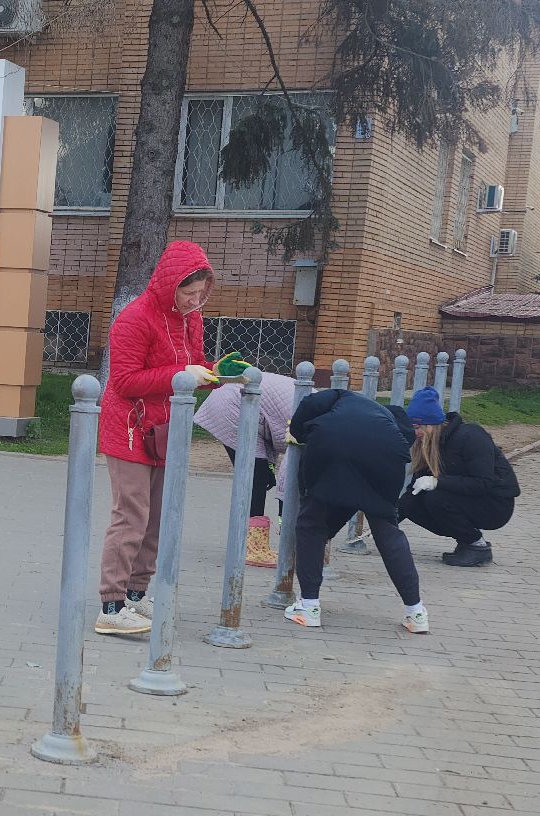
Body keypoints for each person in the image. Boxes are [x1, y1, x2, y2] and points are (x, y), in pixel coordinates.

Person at [94, 241, 217, 636]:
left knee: (157, 517)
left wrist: (218, 372)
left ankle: (136, 596)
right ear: (170, 286)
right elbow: (124, 381)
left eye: (202, 293)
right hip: (129, 427)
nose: (196, 301)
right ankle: (110, 607)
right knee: (131, 515)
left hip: (165, 429)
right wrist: (182, 375)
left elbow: (192, 366)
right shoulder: (135, 319)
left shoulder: (191, 318)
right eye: (189, 293)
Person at [285, 385, 429, 634]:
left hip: (331, 442)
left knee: (310, 524)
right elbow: (358, 492)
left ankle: (308, 607)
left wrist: (298, 432)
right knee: (387, 531)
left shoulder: (342, 395)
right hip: (388, 456)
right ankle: (416, 612)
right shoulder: (391, 423)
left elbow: (309, 403)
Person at [396, 386, 519, 566]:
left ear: (430, 424)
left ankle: (477, 545)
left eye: (417, 427)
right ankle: (466, 540)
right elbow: (413, 491)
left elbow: (482, 483)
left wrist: (437, 482)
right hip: (464, 497)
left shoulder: (471, 436)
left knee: (435, 499)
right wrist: (387, 522)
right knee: (411, 503)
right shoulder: (427, 447)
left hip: (495, 503)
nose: (415, 433)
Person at [192, 367, 295, 566]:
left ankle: (247, 543)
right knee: (253, 478)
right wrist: (287, 525)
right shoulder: (321, 431)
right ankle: (251, 548)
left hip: (254, 407)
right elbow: (289, 478)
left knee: (261, 477)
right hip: (237, 404)